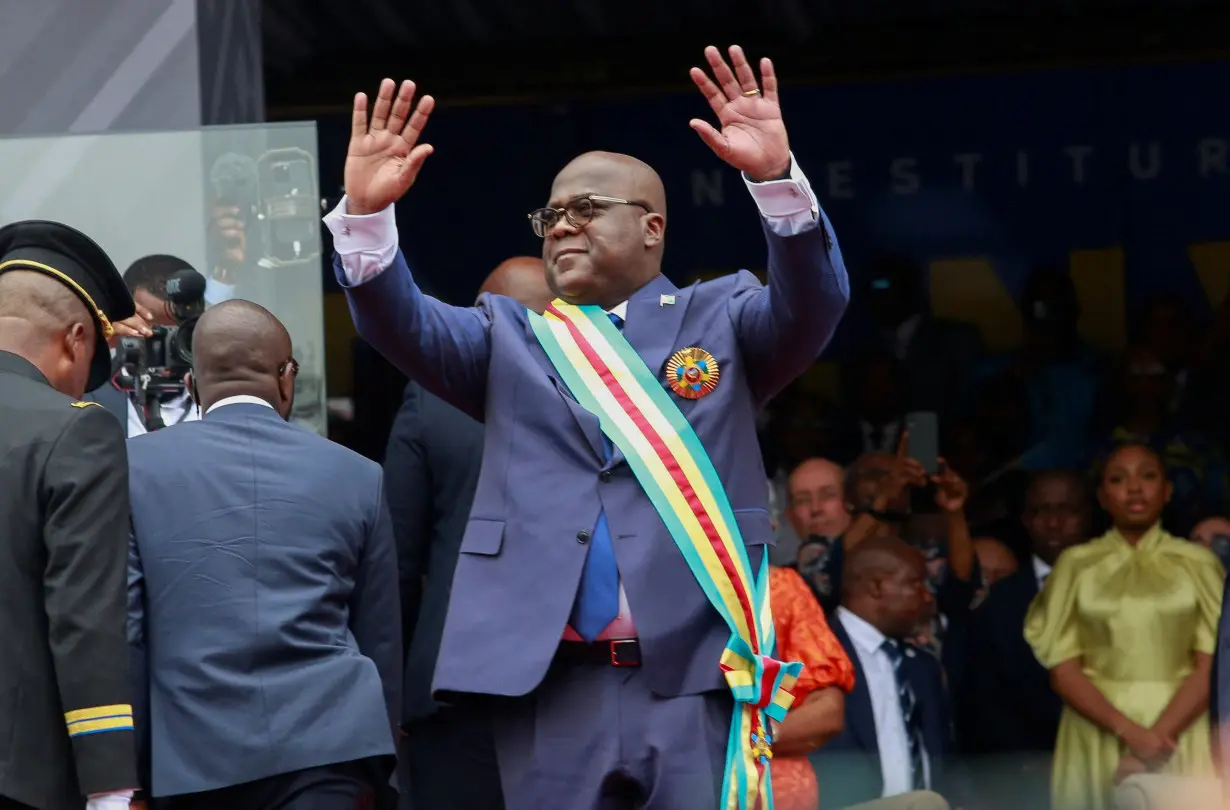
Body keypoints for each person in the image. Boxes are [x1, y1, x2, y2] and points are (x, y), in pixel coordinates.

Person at [326, 44, 849, 810]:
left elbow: (815, 303)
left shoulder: (722, 318)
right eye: (553, 215)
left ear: (651, 228)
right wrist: (368, 216)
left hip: (694, 674)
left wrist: (776, 182)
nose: (562, 226)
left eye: (587, 210)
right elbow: (397, 324)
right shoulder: (507, 338)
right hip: (549, 683)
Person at [125, 300, 401, 810]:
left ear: (191, 386)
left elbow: (131, 631)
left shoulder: (133, 468)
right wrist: (384, 764)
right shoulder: (359, 474)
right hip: (332, 747)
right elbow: (379, 631)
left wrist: (133, 771)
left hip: (193, 755)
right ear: (286, 377)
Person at [384, 255, 552, 810]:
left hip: (454, 683)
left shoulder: (432, 398)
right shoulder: (612, 399)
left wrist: (393, 697)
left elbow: (398, 562)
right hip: (575, 680)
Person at [0, 220, 139, 810]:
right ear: (76, 338)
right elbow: (85, 620)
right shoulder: (76, 430)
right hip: (20, 775)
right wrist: (109, 786)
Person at [1026, 444, 1223, 810]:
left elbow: (1212, 664)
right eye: (1119, 479)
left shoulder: (1199, 564)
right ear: (1101, 497)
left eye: (1147, 476)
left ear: (1167, 490)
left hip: (1180, 727)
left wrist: (1156, 739)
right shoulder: (1075, 565)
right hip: (1097, 727)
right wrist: (1131, 733)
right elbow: (1063, 670)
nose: (1134, 489)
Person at [961, 471, 1089, 810]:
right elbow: (982, 695)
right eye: (1041, 511)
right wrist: (1025, 760)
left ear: (1088, 515)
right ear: (1025, 520)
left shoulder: (1123, 592)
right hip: (1025, 778)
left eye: (1067, 510)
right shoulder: (999, 601)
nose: (1054, 522)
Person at [813, 537, 953, 810]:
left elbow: (946, 761)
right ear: (877, 587)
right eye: (915, 583)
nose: (927, 595)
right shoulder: (814, 651)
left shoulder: (922, 666)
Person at [765, 566, 853, 810]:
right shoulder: (654, 585)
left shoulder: (777, 587)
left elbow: (827, 713)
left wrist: (755, 740)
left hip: (777, 792)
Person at [86, 254, 202, 434]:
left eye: (177, 333)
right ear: (120, 322)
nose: (164, 346)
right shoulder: (84, 395)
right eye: (147, 331)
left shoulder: (226, 396)